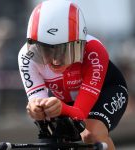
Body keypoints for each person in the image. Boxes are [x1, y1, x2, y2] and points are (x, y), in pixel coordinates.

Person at [18, 0, 128, 149]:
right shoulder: (26, 56)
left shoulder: (94, 50)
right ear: (34, 47)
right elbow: (41, 108)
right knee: (51, 139)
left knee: (92, 134)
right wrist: (36, 109)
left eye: (64, 51)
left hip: (105, 92)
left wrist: (60, 108)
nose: (56, 61)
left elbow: (80, 113)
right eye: (47, 51)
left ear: (80, 45)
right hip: (63, 100)